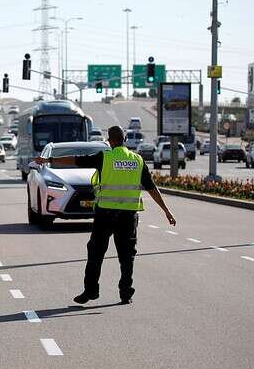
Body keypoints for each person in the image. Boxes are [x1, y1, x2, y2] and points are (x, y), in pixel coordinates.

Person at [35, 126, 176, 305]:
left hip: (105, 214)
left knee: (95, 254)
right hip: (128, 216)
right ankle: (126, 293)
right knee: (127, 256)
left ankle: (91, 291)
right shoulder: (138, 160)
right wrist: (166, 211)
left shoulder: (105, 157)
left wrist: (49, 159)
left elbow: (76, 160)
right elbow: (151, 187)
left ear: (110, 141)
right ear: (124, 139)